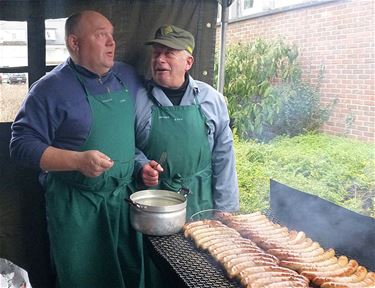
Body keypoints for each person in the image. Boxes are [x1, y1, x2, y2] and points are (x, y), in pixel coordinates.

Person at [10, 10, 144, 288]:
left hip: (122, 202)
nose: (111, 42)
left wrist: (141, 163)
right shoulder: (49, 89)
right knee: (84, 279)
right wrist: (77, 160)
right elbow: (20, 145)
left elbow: (129, 136)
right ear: (74, 43)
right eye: (100, 35)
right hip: (77, 209)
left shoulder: (126, 76)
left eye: (112, 35)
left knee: (128, 276)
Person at [134, 24, 240, 218]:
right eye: (156, 53)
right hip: (153, 205)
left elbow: (224, 157)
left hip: (200, 202)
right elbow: (124, 148)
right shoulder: (137, 99)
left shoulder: (211, 99)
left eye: (169, 53)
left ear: (188, 62)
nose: (160, 59)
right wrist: (141, 164)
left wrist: (226, 208)